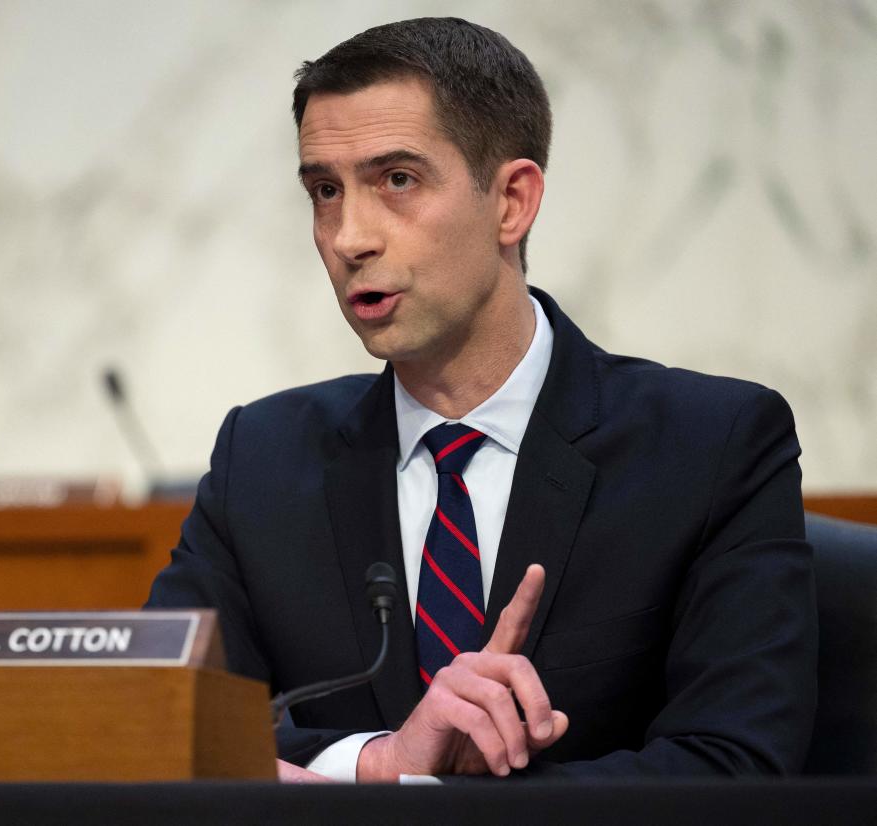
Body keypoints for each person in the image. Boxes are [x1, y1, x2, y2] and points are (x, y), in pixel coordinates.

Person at [145, 17, 816, 781]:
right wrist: (380, 763)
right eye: (324, 191)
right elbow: (156, 724)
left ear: (511, 202)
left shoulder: (712, 446)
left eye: (396, 180)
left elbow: (736, 762)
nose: (347, 236)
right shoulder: (260, 461)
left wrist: (447, 798)